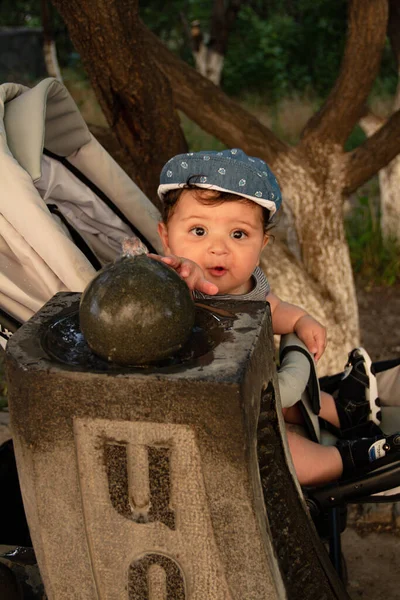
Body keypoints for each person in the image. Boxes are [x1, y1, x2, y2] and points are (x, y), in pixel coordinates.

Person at [149, 148, 400, 486]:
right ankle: (353, 457)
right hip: (219, 417)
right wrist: (181, 281)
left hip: (264, 395)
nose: (218, 248)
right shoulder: (174, 289)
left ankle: (347, 409)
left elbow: (274, 309)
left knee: (296, 396)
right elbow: (156, 303)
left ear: (262, 244)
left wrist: (301, 321)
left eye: (238, 235)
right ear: (166, 238)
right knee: (287, 456)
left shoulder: (248, 284)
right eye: (198, 232)